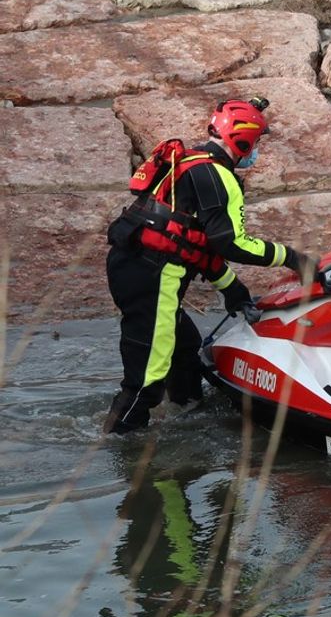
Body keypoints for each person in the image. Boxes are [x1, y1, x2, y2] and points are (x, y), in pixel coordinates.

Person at [102, 97, 315, 435]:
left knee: (184, 348)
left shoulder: (190, 163)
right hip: (153, 275)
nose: (256, 150)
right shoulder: (220, 177)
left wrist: (232, 289)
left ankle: (187, 415)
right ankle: (120, 447)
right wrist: (292, 258)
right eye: (256, 142)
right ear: (242, 139)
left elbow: (193, 242)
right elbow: (230, 242)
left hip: (130, 265)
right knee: (147, 379)